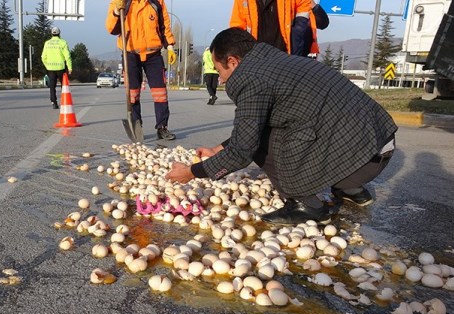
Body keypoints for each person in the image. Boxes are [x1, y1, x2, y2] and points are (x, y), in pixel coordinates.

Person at [166, 28, 398, 225]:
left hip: (360, 160)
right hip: (378, 148)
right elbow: (257, 124)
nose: (222, 80)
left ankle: (307, 206)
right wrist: (218, 150)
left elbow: (243, 150)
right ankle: (351, 189)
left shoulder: (250, 78)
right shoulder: (278, 63)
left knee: (264, 142)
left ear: (233, 61)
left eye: (220, 71)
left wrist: (190, 173)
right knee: (295, 128)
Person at [106, 0, 178, 140]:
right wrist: (116, 12)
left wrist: (169, 46)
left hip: (154, 54)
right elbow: (112, 29)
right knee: (132, 94)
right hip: (130, 54)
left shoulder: (157, 2)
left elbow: (164, 25)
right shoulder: (120, 2)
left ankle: (162, 127)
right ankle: (136, 126)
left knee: (160, 93)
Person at [229, 0, 319, 57]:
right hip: (255, 56)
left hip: (284, 55)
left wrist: (295, 56)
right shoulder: (242, 1)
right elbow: (237, 28)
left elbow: (301, 28)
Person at [41, 27, 72, 110]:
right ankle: (64, 101)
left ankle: (54, 102)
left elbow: (43, 57)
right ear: (59, 33)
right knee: (64, 85)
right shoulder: (63, 42)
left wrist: (47, 65)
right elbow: (67, 56)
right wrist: (70, 67)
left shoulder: (47, 43)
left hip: (50, 68)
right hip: (61, 68)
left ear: (51, 33)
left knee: (52, 86)